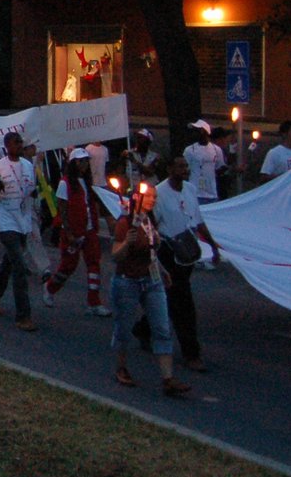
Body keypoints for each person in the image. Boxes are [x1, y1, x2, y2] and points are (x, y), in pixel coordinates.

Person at [110, 182, 192, 397]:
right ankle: (121, 367)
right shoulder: (125, 222)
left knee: (162, 328)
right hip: (127, 281)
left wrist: (162, 270)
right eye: (149, 196)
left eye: (155, 196)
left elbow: (152, 251)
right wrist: (127, 243)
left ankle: (168, 378)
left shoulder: (149, 220)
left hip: (151, 281)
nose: (153, 200)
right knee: (124, 327)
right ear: (137, 198)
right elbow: (115, 255)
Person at [144, 155, 223, 371]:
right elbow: (152, 225)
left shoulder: (189, 189)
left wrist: (213, 245)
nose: (184, 170)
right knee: (183, 304)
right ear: (169, 169)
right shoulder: (158, 193)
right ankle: (191, 353)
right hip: (169, 252)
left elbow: (197, 221)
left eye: (186, 166)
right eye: (179, 166)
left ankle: (142, 329)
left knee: (170, 298)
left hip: (187, 250)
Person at [43, 148, 110, 315]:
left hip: (89, 231)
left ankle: (93, 302)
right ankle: (50, 288)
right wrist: (69, 233)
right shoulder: (65, 183)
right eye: (81, 161)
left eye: (86, 161)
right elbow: (63, 210)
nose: (84, 164)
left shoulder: (87, 182)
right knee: (68, 266)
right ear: (73, 163)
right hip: (73, 232)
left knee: (94, 263)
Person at [0, 131, 38, 331]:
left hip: (22, 219)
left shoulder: (28, 166)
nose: (19, 145)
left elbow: (30, 188)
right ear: (7, 146)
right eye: (16, 143)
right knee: (19, 266)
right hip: (5, 221)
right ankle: (23, 315)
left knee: (9, 262)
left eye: (20, 142)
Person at [182, 119, 225, 206]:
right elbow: (185, 170)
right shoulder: (189, 150)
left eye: (196, 130)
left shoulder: (216, 150)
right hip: (194, 193)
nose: (194, 133)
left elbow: (220, 168)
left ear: (202, 131)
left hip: (211, 193)